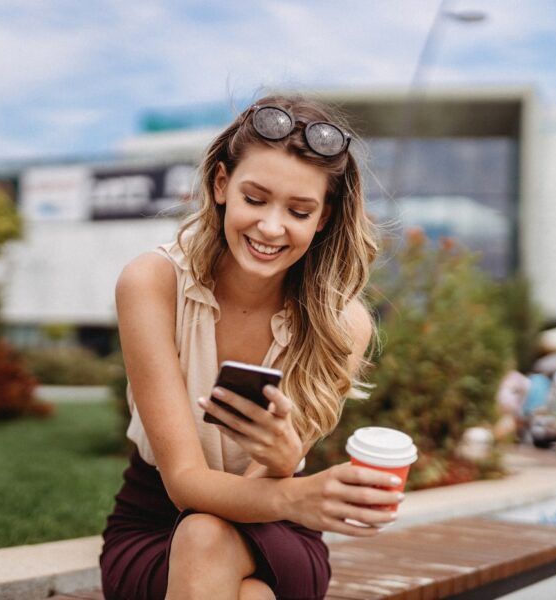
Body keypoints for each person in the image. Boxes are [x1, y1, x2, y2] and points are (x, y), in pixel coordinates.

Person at [98, 96, 399, 600]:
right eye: (255, 199)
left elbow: (273, 484)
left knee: (210, 541)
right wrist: (298, 490)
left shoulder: (342, 325)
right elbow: (186, 484)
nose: (271, 227)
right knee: (226, 563)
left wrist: (283, 462)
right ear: (221, 186)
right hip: (157, 524)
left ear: (323, 218)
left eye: (299, 211)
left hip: (275, 531)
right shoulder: (151, 282)